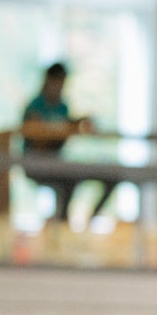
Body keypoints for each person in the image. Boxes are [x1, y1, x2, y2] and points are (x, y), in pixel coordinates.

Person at [18, 62, 120, 227]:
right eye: (57, 82)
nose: (59, 87)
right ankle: (61, 224)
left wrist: (75, 125)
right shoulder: (35, 106)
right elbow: (39, 142)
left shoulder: (62, 107)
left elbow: (63, 132)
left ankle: (83, 222)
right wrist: (63, 131)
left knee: (108, 176)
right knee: (68, 180)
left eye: (62, 83)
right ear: (48, 81)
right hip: (36, 164)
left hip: (57, 162)